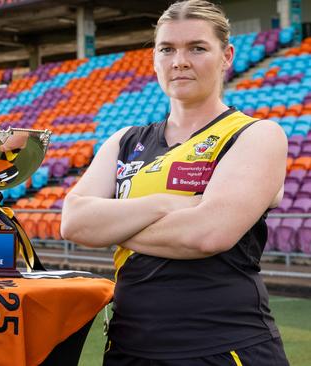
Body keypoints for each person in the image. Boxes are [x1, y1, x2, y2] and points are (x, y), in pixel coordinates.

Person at [61, 1, 289, 365]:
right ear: (154, 59)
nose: (179, 61)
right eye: (167, 49)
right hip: (127, 348)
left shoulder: (257, 134)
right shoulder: (124, 139)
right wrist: (168, 203)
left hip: (224, 348)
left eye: (197, 48)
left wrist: (111, 226)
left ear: (226, 56)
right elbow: (73, 221)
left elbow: (208, 235)